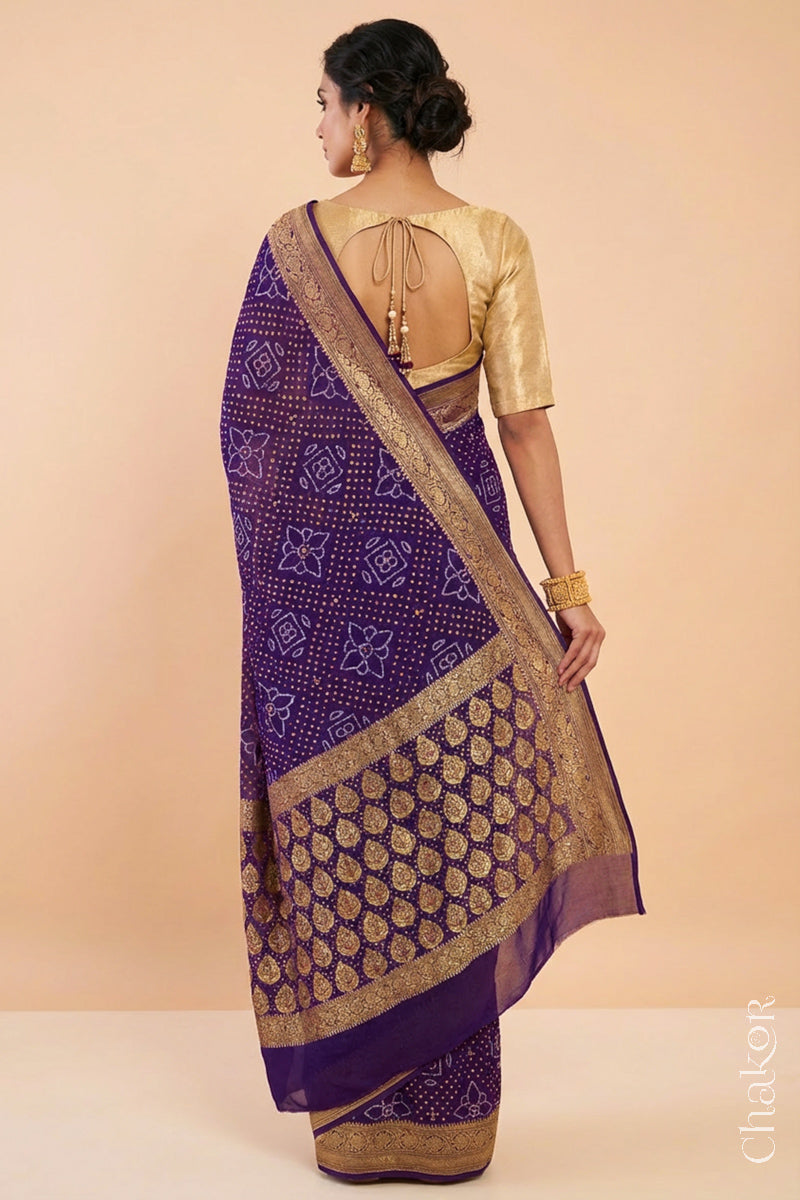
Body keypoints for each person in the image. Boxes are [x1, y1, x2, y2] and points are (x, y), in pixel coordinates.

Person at [220, 17, 645, 1183]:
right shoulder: (493, 237)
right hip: (460, 583)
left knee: (339, 831)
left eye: (320, 104)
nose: (315, 128)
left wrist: (280, 590)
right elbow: (521, 426)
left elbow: (254, 438)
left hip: (321, 599)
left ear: (366, 106)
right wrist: (567, 590)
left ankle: (357, 1125)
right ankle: (450, 1125)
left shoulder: (291, 243)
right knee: (456, 820)